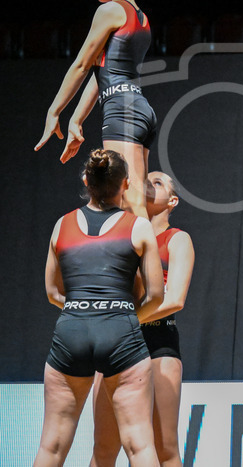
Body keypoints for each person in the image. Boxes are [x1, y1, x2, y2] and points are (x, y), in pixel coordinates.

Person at [35, 149, 164, 467]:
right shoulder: (139, 227)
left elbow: (52, 293)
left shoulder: (61, 225)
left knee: (51, 447)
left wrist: (83, 308)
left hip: (72, 331)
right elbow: (157, 296)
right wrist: (122, 317)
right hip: (120, 332)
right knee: (139, 444)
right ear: (125, 184)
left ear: (85, 181)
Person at [35, 0, 157, 219]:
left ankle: (149, 265)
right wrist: (76, 120)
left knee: (132, 203)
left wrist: (54, 111)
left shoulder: (111, 10)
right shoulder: (142, 18)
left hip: (122, 110)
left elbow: (81, 65)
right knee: (135, 205)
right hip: (139, 110)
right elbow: (102, 73)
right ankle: (143, 265)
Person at [91, 171, 195, 467]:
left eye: (158, 182)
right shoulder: (121, 236)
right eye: (145, 179)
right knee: (103, 449)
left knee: (165, 449)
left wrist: (127, 318)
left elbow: (175, 299)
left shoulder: (177, 239)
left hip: (158, 344)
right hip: (116, 344)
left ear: (172, 201)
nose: (149, 183)